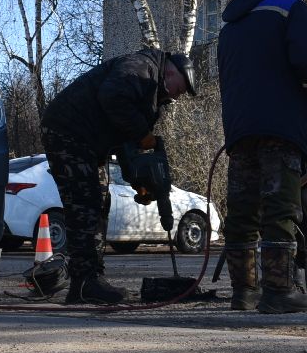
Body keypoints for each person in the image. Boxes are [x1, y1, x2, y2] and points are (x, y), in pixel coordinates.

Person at [40, 48, 195, 304]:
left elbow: (125, 141)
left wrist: (138, 181)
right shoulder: (142, 67)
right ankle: (85, 282)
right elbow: (112, 97)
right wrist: (142, 133)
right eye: (181, 88)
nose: (178, 96)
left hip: (86, 141)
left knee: (99, 202)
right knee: (85, 204)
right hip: (69, 132)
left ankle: (89, 280)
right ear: (171, 71)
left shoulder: (150, 91)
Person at [216, 0, 307, 314]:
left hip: (239, 129)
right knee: (280, 207)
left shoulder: (231, 24)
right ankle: (279, 290)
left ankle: (244, 292)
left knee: (243, 210)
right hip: (280, 125)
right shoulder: (291, 6)